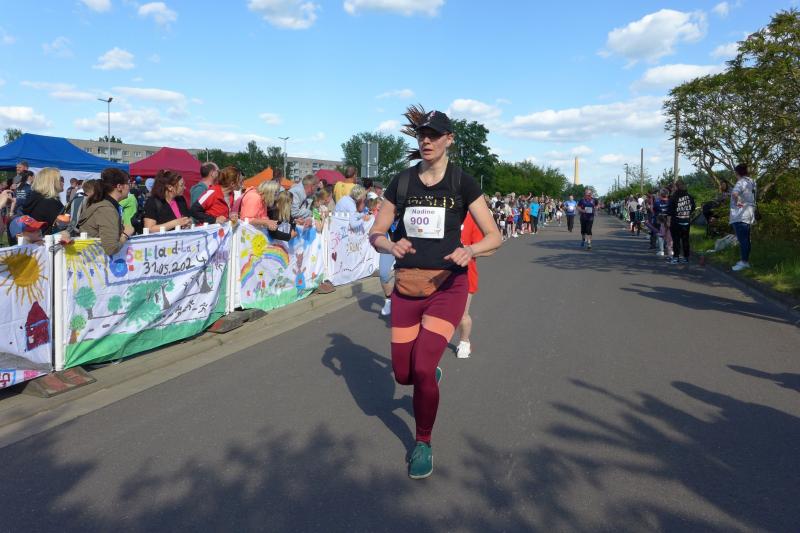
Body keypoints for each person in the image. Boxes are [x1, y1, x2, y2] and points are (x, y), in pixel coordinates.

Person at [368, 107, 501, 479]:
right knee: (403, 374)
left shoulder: (462, 182)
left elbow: (494, 235)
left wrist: (470, 250)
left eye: (434, 135)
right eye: (422, 135)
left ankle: (423, 442)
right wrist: (388, 244)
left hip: (448, 286)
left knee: (423, 368)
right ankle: (427, 377)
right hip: (408, 286)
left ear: (448, 139)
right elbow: (376, 231)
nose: (426, 141)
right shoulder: (402, 182)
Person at [78, 168, 135, 256]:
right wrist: (125, 235)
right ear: (119, 187)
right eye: (128, 183)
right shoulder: (107, 209)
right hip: (93, 259)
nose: (129, 187)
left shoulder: (105, 204)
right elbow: (111, 248)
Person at [455, 209, 487, 359]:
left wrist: (468, 250)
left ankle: (464, 341)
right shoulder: (440, 214)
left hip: (465, 273)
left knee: (461, 314)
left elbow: (485, 248)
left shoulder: (472, 219)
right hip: (439, 273)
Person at [18, 167, 64, 234]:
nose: (63, 182)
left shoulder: (35, 197)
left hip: (35, 237)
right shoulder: (50, 202)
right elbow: (62, 225)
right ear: (52, 182)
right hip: (49, 238)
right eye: (60, 179)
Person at [730, 163, 756, 271]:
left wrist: (738, 202)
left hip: (740, 214)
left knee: (743, 240)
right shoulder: (752, 182)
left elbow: (735, 194)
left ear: (737, 172)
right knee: (746, 239)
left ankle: (744, 262)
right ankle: (745, 261)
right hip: (749, 213)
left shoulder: (740, 182)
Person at [666, 179, 696, 264]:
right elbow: (693, 207)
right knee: (685, 240)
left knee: (676, 240)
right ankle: (686, 258)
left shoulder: (674, 197)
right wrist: (687, 213)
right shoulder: (689, 196)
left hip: (676, 221)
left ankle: (676, 258)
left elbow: (670, 211)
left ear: (676, 187)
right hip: (686, 221)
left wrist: (668, 222)